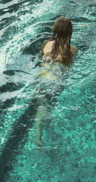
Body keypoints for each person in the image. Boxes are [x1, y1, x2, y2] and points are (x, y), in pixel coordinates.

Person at [34, 17, 78, 147]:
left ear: (54, 31)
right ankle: (38, 137)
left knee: (42, 107)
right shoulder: (72, 50)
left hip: (40, 80)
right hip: (54, 84)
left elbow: (40, 61)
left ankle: (38, 134)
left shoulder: (46, 44)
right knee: (46, 109)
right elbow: (69, 69)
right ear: (70, 33)